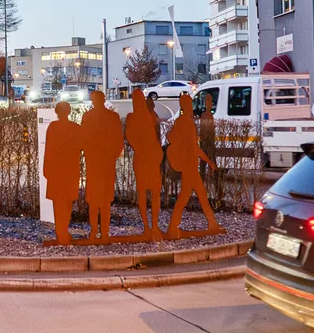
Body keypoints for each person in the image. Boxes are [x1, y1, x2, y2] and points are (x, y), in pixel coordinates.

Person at [165, 92, 224, 239]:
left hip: (187, 164)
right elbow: (195, 148)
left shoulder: (179, 121)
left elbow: (169, 136)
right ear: (187, 106)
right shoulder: (188, 124)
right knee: (190, 196)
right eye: (190, 104)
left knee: (195, 194)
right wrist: (210, 162)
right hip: (189, 165)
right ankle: (174, 226)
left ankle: (211, 223)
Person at [80, 89, 124, 239]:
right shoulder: (112, 117)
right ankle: (105, 230)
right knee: (105, 197)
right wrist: (112, 155)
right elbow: (119, 140)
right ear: (104, 99)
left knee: (94, 197)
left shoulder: (88, 116)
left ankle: (94, 229)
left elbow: (83, 139)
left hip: (93, 161)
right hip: (106, 161)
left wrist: (88, 154)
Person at [43, 101, 84, 244]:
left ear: (57, 112)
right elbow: (82, 146)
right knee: (67, 201)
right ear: (69, 111)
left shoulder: (53, 127)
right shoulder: (76, 128)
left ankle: (60, 231)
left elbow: (48, 149)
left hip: (56, 168)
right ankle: (64, 229)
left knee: (58, 201)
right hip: (71, 167)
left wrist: (46, 169)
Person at [125, 88, 163, 239]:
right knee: (154, 192)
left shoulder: (133, 117)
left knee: (144, 192)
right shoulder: (150, 116)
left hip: (142, 157)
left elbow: (130, 138)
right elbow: (157, 138)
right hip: (151, 157)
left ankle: (148, 226)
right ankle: (153, 226)